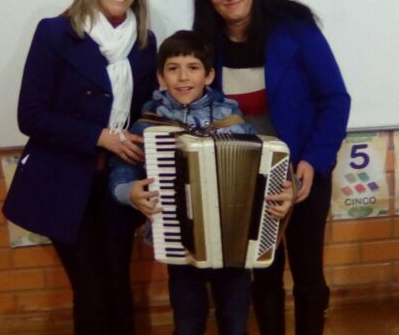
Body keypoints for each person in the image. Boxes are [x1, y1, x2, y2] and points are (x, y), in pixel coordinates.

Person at [192, 0, 351, 335]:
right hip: (245, 176)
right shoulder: (205, 42)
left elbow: (335, 99)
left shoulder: (294, 26)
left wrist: (313, 161)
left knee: (308, 272)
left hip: (302, 169)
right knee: (264, 276)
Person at [2, 0, 158, 335]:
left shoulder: (144, 42)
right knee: (90, 290)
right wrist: (98, 136)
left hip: (116, 184)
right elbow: (30, 116)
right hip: (64, 182)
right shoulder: (56, 33)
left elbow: (143, 114)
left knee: (119, 286)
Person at [108, 30, 294, 335]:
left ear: (208, 75)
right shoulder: (148, 126)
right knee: (187, 320)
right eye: (173, 68)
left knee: (235, 320)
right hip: (178, 241)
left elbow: (265, 162)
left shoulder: (232, 119)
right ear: (160, 77)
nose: (183, 77)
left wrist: (286, 188)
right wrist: (128, 192)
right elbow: (121, 172)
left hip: (232, 238)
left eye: (193, 67)